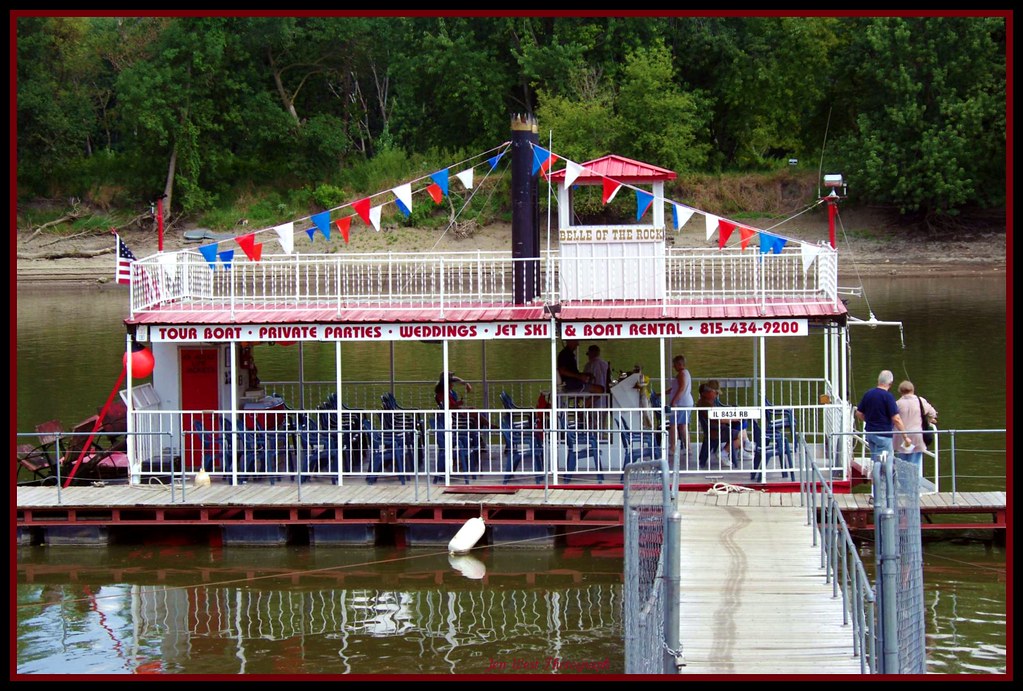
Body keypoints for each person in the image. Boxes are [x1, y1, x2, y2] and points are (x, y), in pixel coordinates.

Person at [855, 369, 910, 462]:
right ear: (890, 383)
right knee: (888, 459)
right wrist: (905, 436)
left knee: (876, 459)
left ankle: (876, 473)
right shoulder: (888, 397)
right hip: (884, 435)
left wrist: (869, 420)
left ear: (878, 380)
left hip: (870, 433)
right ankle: (886, 476)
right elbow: (896, 418)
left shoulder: (868, 394)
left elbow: (858, 413)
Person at [895, 380, 938, 469]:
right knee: (915, 465)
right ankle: (915, 482)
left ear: (900, 391)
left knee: (902, 464)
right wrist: (928, 421)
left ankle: (904, 482)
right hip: (917, 436)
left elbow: (893, 419)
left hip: (903, 437)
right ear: (913, 390)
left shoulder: (897, 404)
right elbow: (933, 413)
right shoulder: (920, 401)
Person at [666, 354, 694, 462]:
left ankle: (673, 447)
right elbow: (674, 388)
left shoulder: (682, 374)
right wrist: (661, 394)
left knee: (674, 425)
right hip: (685, 403)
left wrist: (674, 401)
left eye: (674, 364)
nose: (673, 367)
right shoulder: (685, 373)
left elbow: (681, 388)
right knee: (683, 426)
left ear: (679, 364)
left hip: (682, 403)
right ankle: (688, 448)